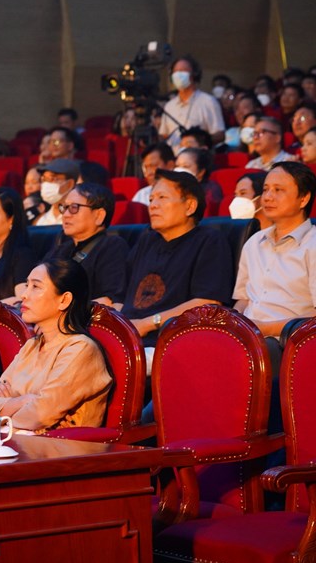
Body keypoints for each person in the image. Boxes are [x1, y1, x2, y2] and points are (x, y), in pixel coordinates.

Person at [0, 259, 112, 433]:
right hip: (17, 439)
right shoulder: (31, 346)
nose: (24, 295)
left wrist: (3, 412)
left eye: (36, 286)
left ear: (64, 300)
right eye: (27, 285)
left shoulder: (80, 349)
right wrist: (23, 401)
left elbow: (40, 414)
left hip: (60, 446)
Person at [122, 170, 232, 342]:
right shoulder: (146, 240)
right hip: (127, 337)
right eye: (151, 199)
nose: (153, 205)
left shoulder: (209, 241)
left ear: (190, 206)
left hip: (171, 339)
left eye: (162, 197)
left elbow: (206, 303)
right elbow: (120, 296)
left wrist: (146, 324)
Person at [233, 162, 316, 365]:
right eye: (265, 190)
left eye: (278, 190)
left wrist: (265, 328)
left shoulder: (312, 245)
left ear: (304, 198)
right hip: (250, 336)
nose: (268, 197)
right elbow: (243, 300)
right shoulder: (254, 242)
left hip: (290, 342)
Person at [47, 184, 128, 307]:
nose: (66, 214)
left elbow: (111, 300)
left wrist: (61, 309)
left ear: (99, 215)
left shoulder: (112, 246)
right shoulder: (62, 248)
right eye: (64, 207)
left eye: (74, 207)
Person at [157, 54, 225, 147]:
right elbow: (164, 134)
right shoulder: (169, 106)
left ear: (194, 74)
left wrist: (199, 141)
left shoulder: (208, 102)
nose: (178, 75)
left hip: (198, 154)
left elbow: (220, 134)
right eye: (175, 72)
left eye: (183, 71)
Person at [34, 158, 80, 226]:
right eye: (44, 179)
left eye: (52, 179)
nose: (46, 184)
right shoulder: (40, 221)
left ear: (69, 184)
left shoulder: (79, 218)